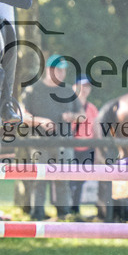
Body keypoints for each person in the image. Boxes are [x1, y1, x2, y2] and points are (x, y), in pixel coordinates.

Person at [20, 54, 82, 220]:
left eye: (63, 71)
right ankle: (37, 214)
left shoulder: (68, 90)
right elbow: (23, 117)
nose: (61, 74)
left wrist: (72, 116)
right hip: (39, 143)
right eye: (58, 70)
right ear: (49, 70)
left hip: (64, 142)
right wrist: (40, 121)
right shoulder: (33, 90)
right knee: (39, 180)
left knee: (63, 179)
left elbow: (81, 115)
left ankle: (64, 214)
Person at [68, 76, 99, 216]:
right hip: (70, 148)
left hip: (87, 150)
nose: (84, 90)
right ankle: (65, 209)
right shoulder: (67, 105)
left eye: (87, 87)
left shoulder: (92, 109)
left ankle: (75, 209)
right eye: (81, 86)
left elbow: (97, 132)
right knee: (68, 181)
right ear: (74, 87)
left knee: (80, 181)